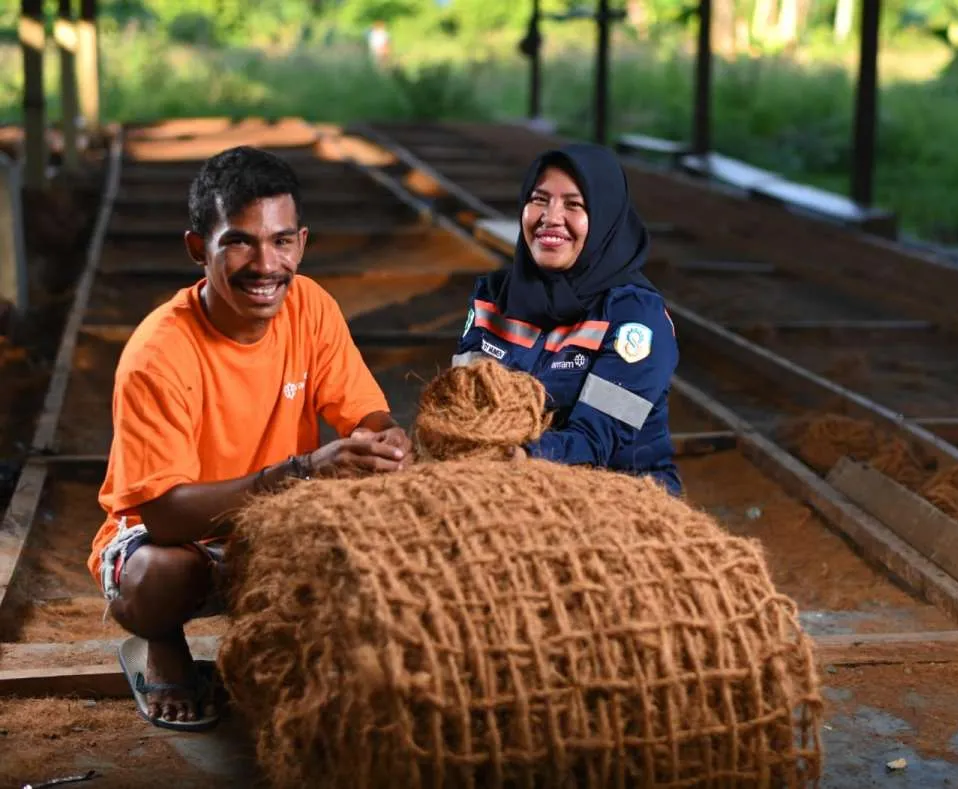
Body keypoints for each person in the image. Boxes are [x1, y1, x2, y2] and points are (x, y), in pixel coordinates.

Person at [86, 146, 413, 730]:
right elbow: (162, 517)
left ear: (302, 243)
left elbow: (366, 412)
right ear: (197, 249)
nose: (266, 264)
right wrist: (305, 470)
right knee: (165, 576)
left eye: (282, 241)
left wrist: (385, 441)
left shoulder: (311, 306)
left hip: (274, 528)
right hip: (171, 543)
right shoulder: (158, 353)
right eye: (239, 241)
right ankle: (158, 643)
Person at [453, 143, 681, 495]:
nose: (550, 217)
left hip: (620, 495)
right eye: (539, 200)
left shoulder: (634, 317)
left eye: (573, 205)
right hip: (501, 483)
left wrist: (519, 458)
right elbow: (462, 402)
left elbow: (598, 440)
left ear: (605, 217)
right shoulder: (492, 297)